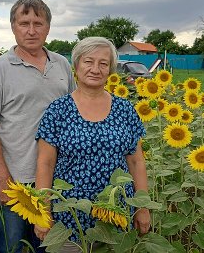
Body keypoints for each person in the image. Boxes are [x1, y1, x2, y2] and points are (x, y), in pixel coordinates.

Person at [0, 0, 76, 253]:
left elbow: (74, 113)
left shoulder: (62, 64)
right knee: (12, 247)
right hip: (17, 182)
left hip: (57, 181)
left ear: (48, 28)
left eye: (38, 23)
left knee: (51, 248)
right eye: (24, 23)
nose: (31, 30)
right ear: (13, 27)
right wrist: (4, 180)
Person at [34, 37, 151, 252]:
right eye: (88, 61)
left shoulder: (125, 110)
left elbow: (136, 162)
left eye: (103, 63)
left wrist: (142, 207)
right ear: (76, 65)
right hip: (69, 219)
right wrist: (43, 212)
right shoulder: (58, 110)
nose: (95, 69)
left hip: (116, 215)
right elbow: (45, 164)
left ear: (110, 70)